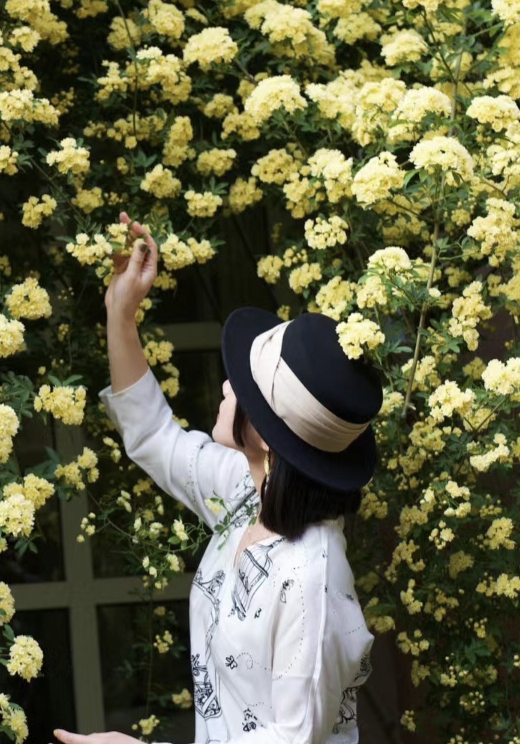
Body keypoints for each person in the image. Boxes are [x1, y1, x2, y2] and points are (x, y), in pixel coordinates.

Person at [55, 212, 383, 744]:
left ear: (269, 438)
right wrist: (121, 313)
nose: (228, 385)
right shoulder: (244, 493)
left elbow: (294, 738)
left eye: (245, 388)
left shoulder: (312, 575)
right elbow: (156, 440)